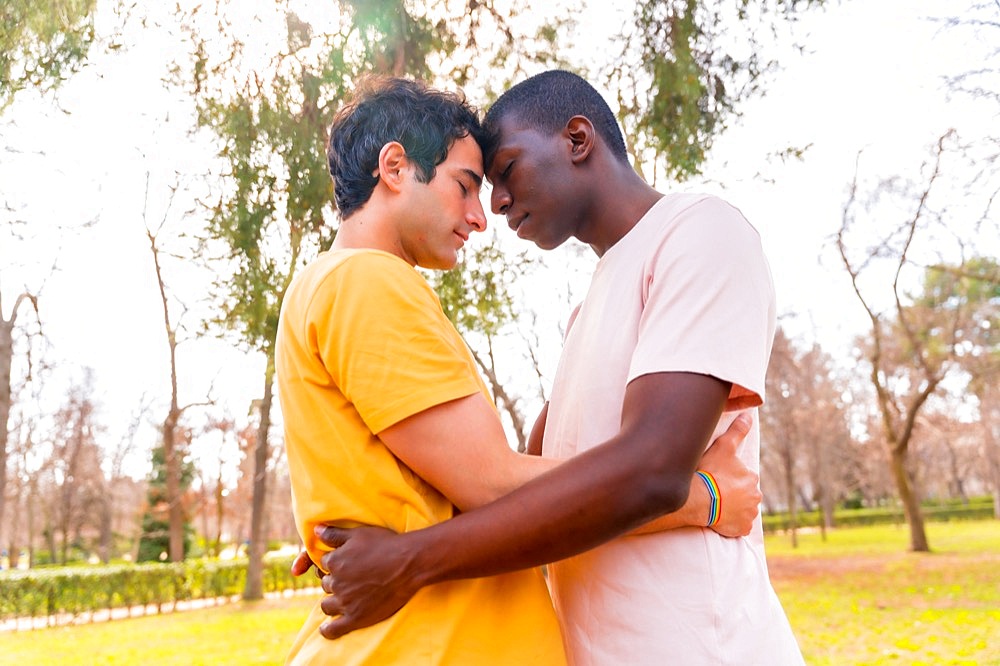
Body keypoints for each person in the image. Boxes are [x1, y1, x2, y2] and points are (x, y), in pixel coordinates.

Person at [310, 70, 804, 665]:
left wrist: (408, 559)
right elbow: (521, 489)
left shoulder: (700, 232)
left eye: (506, 171)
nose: (493, 205)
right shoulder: (584, 313)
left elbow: (650, 471)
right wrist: (368, 516)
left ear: (576, 140)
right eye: (475, 185)